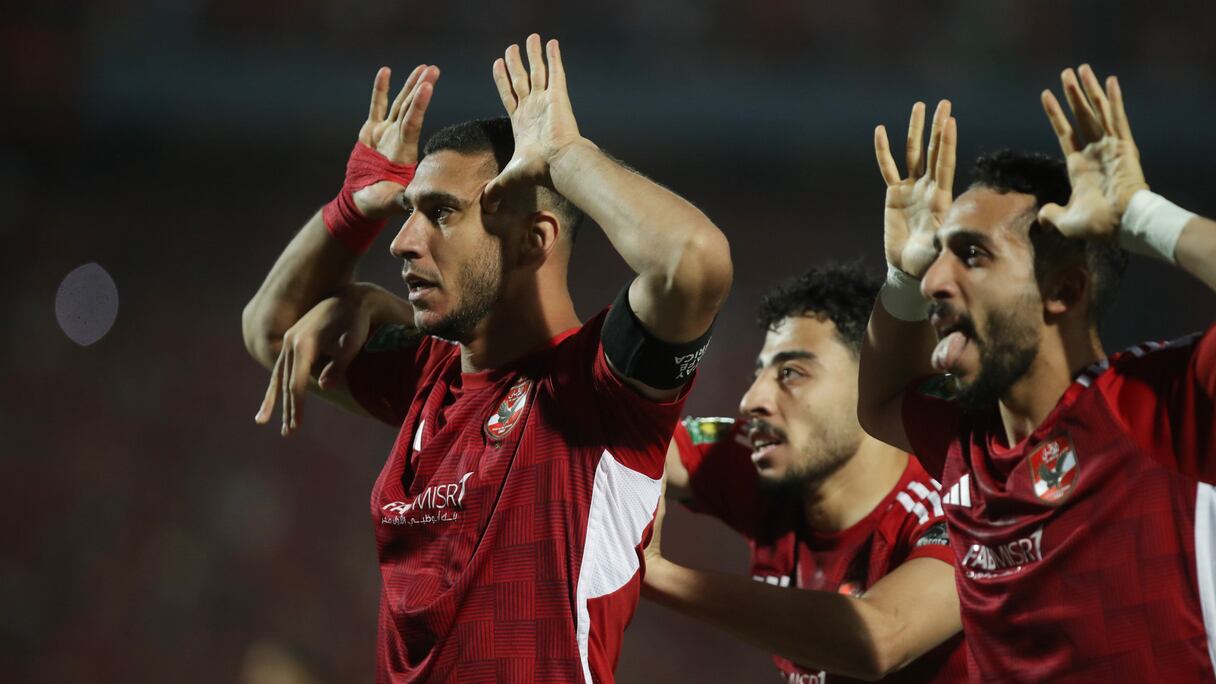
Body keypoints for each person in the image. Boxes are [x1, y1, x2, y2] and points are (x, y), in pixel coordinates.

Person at [241, 34, 732, 683]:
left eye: (440, 213)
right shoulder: (430, 375)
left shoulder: (600, 387)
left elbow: (694, 260)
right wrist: (351, 212)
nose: (404, 242)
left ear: (534, 240)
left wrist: (567, 159)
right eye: (407, 214)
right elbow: (272, 332)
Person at [859, 64, 1216, 680]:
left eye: (972, 254)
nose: (937, 281)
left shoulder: (1161, 408)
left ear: (1063, 290)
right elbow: (881, 398)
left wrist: (1142, 215)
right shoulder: (969, 445)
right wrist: (902, 276)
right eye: (936, 260)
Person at [642, 263, 967, 683]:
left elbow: (880, 639)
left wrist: (656, 574)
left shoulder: (959, 496)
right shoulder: (765, 460)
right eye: (757, 373)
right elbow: (627, 444)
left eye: (791, 373)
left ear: (871, 384)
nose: (751, 400)